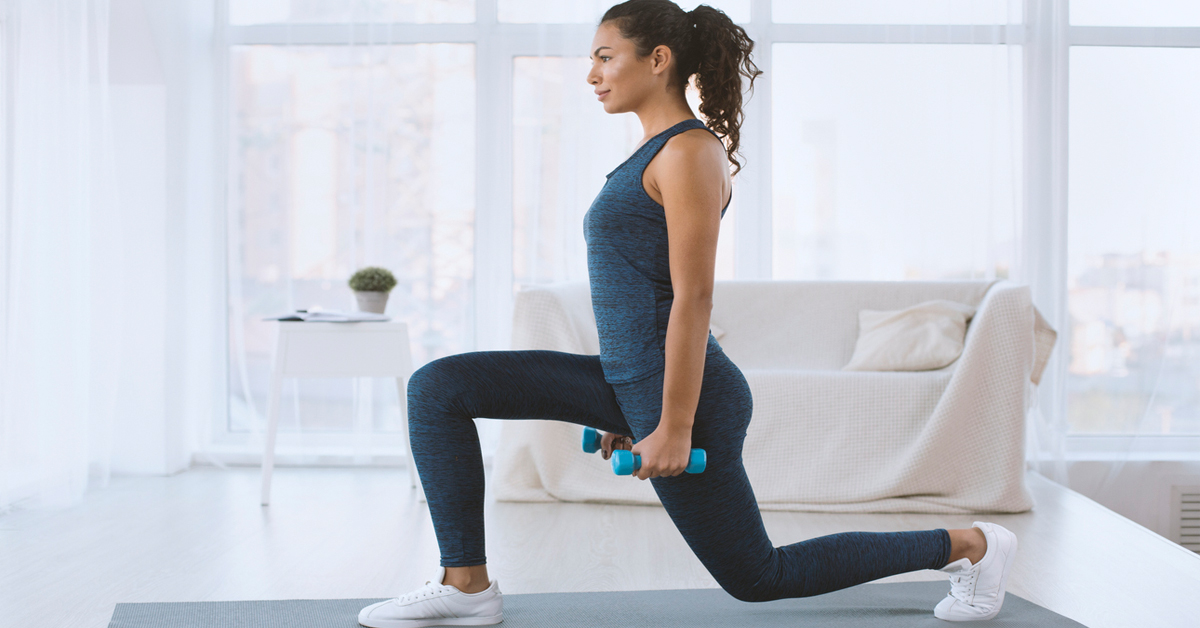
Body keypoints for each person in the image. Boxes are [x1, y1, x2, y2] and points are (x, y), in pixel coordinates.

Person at [357, 1, 1018, 626]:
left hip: (691, 398)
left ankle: (971, 545)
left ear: (659, 59)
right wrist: (621, 408)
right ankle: (466, 585)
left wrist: (671, 424)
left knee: (758, 575)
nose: (592, 73)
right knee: (439, 388)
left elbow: (694, 297)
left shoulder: (689, 153)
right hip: (629, 383)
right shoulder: (650, 154)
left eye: (606, 56)